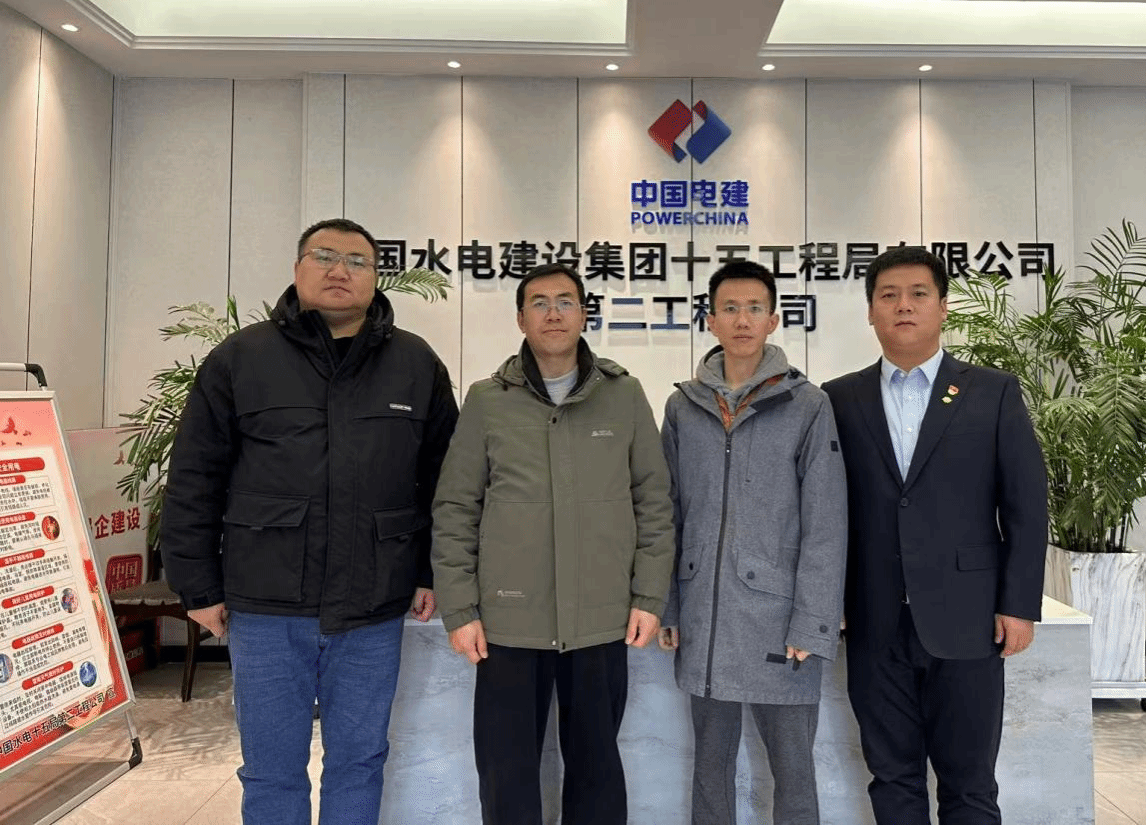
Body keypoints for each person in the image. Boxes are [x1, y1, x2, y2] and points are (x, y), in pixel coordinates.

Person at [161, 217, 458, 825]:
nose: (340, 270)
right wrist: (198, 586)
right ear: (297, 270)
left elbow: (443, 480)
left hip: (373, 606)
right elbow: (194, 475)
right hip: (267, 605)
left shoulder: (414, 362)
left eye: (357, 261)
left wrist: (430, 571)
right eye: (324, 256)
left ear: (376, 279)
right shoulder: (241, 358)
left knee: (360, 761)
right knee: (271, 769)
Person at [431, 261, 674, 825]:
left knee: (596, 768)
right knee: (506, 769)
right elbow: (455, 507)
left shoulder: (624, 394)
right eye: (538, 303)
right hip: (509, 620)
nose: (553, 313)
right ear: (521, 319)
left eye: (565, 301)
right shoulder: (488, 400)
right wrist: (460, 609)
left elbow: (654, 502)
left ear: (584, 314)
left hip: (601, 616)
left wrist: (648, 596)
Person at [822, 246, 1049, 825]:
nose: (904, 306)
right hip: (873, 619)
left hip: (969, 618)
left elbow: (1025, 505)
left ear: (943, 307)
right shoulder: (838, 398)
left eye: (919, 294)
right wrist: (828, 599)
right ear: (870, 311)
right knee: (892, 777)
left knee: (969, 784)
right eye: (889, 296)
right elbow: (825, 511)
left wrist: (1019, 605)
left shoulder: (992, 391)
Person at [658, 260, 847, 825]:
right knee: (709, 769)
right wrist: (670, 605)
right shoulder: (683, 406)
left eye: (755, 308)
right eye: (731, 308)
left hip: (782, 620)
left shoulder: (807, 405)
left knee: (794, 771)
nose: (743, 320)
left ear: (774, 320)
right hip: (706, 616)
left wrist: (813, 622)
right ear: (711, 320)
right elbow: (667, 512)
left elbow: (826, 522)